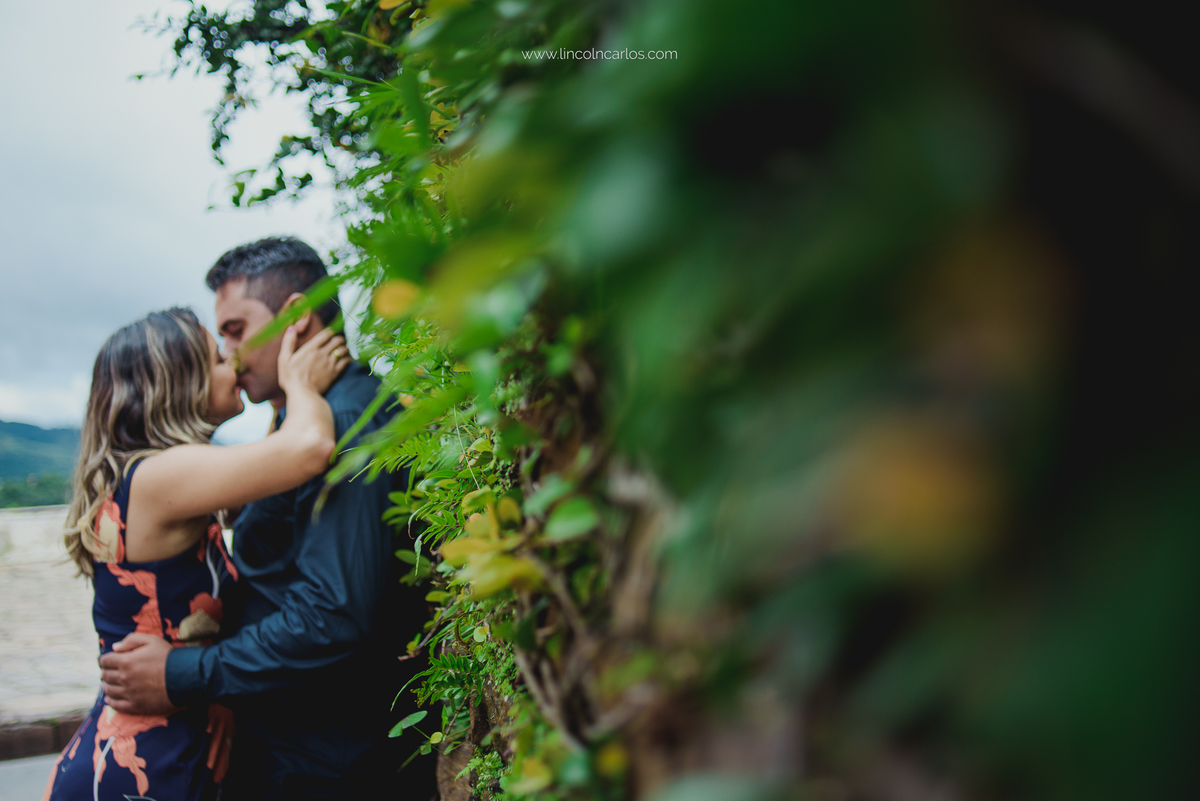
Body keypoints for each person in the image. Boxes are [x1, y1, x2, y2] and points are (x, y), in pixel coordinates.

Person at [98, 237, 434, 801]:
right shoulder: (298, 424)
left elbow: (331, 613)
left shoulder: (347, 422)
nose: (228, 352)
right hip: (288, 749)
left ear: (297, 316)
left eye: (234, 329)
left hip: (325, 767)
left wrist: (184, 675)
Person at [44, 307, 350, 801]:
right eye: (215, 358)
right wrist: (301, 385)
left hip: (167, 747)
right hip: (145, 768)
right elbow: (311, 446)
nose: (233, 362)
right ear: (180, 382)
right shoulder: (161, 476)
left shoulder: (151, 476)